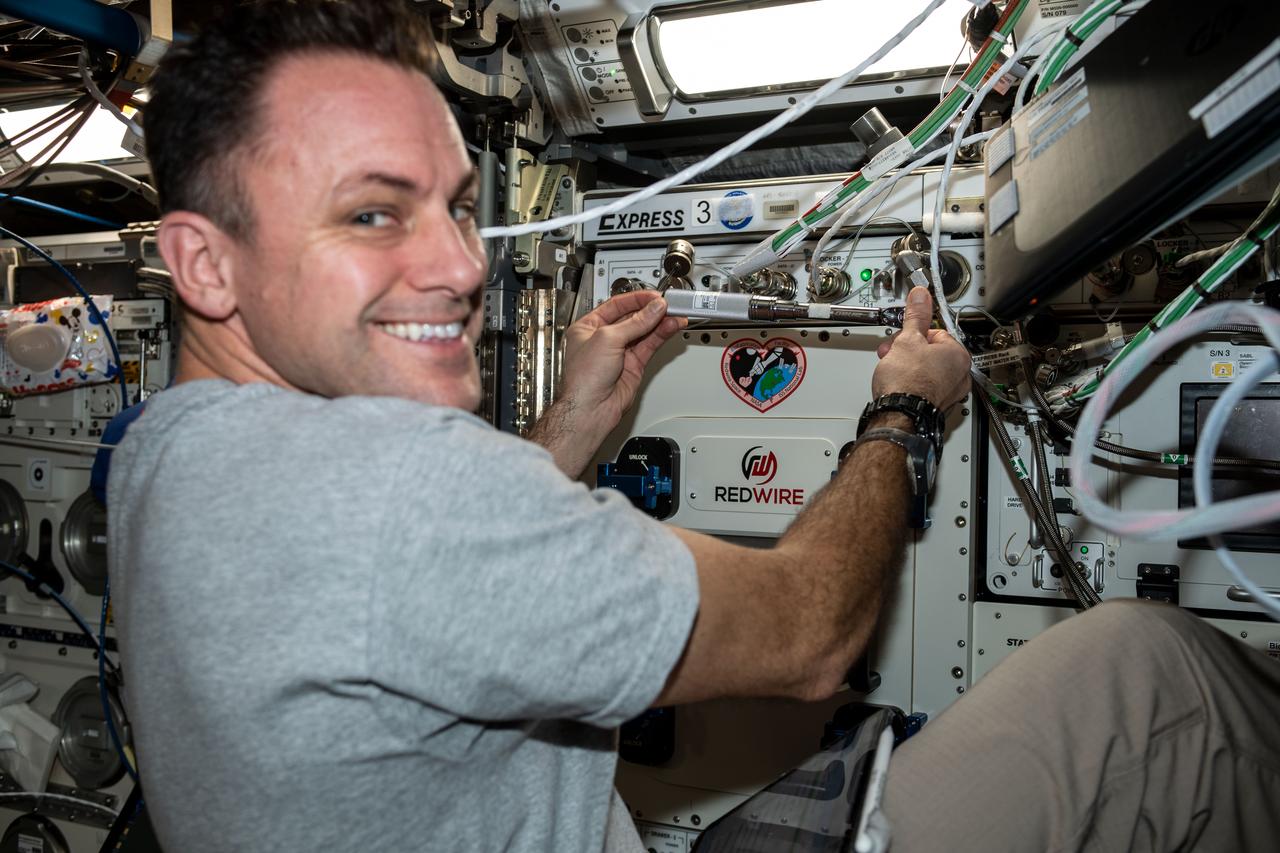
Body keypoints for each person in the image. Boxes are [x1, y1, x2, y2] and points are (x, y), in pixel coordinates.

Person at [108, 1, 1280, 851]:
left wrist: (569, 430)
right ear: (201, 263)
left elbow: (404, 590)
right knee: (1149, 676)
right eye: (373, 214)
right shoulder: (400, 490)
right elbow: (810, 634)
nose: (460, 267)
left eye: (459, 207)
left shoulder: (171, 453)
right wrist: (902, 411)